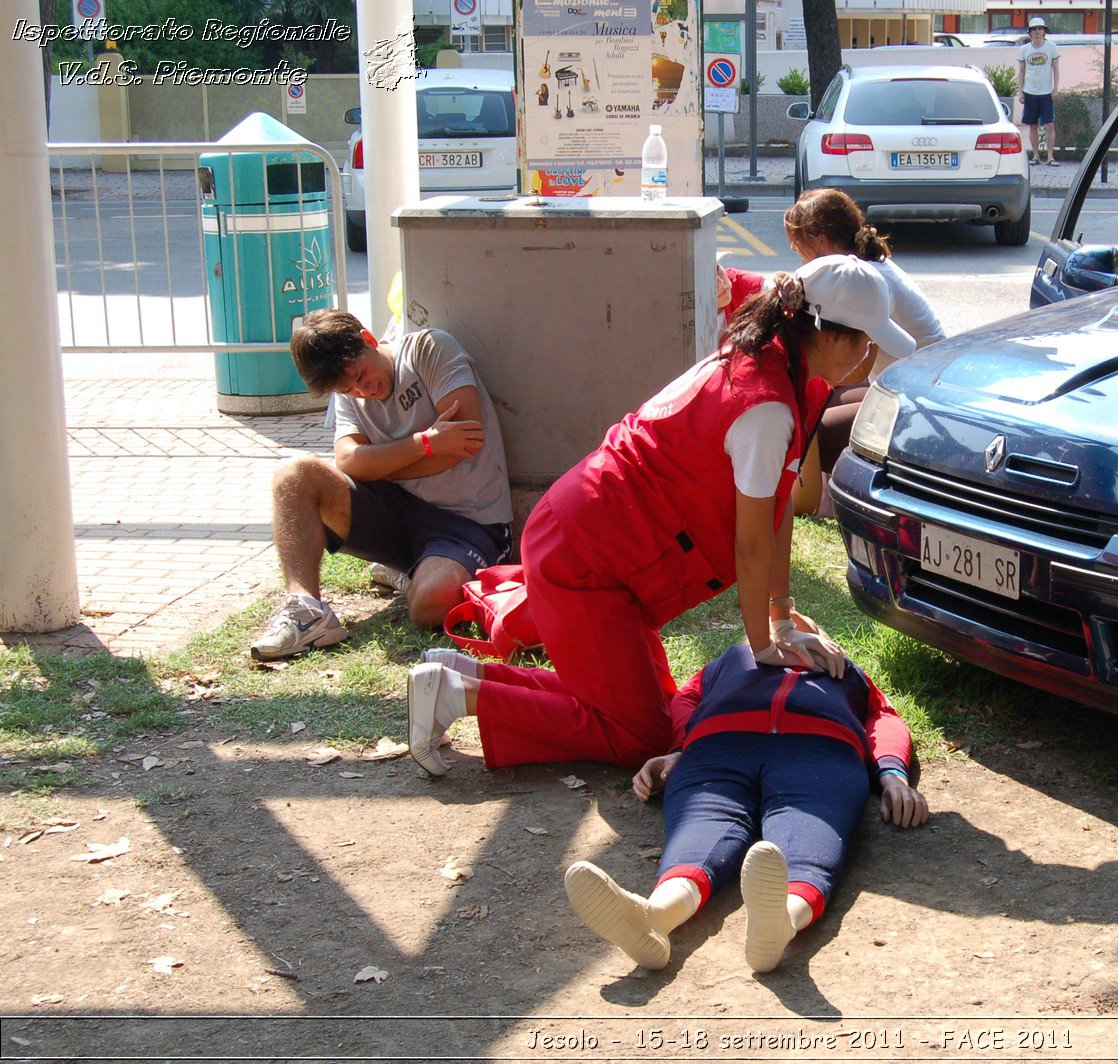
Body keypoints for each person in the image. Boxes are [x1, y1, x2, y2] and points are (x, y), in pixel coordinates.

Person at [405, 255, 917, 777]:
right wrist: (765, 645)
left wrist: (782, 616)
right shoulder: (768, 403)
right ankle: (458, 696)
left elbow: (778, 508)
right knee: (639, 735)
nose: (870, 353)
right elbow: (751, 544)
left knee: (656, 707)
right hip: (585, 559)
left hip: (599, 547)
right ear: (828, 334)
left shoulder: (787, 367)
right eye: (866, 340)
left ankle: (458, 676)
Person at [563, 644, 929, 973]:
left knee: (809, 846)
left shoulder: (846, 670)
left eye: (807, 626)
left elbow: (884, 719)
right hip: (716, 748)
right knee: (698, 837)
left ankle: (782, 922)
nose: (795, 624)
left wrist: (892, 776)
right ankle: (653, 918)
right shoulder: (731, 660)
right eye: (783, 621)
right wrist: (678, 749)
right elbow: (685, 700)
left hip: (821, 751)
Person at [249, 311, 511, 661]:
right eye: (347, 389)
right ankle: (307, 610)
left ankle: (413, 574)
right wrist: (424, 443)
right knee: (293, 474)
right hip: (397, 512)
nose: (362, 391)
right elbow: (348, 461)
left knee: (429, 606)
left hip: (469, 521)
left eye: (361, 375)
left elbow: (465, 442)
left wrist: (377, 465)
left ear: (369, 340)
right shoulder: (348, 391)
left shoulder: (428, 349)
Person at [783, 188, 945, 516]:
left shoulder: (858, 279)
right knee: (822, 403)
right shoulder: (864, 264)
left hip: (921, 399)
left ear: (822, 240)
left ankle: (822, 501)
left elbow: (843, 359)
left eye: (797, 242)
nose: (794, 250)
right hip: (901, 383)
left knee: (820, 430)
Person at [1015, 17, 1060, 167]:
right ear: (1030, 32)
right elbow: (1021, 71)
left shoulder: (1051, 47)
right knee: (1032, 125)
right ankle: (1035, 156)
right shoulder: (1024, 49)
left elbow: (1056, 69)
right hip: (1030, 92)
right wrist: (1020, 91)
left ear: (1044, 31)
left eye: (1040, 29)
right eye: (1034, 29)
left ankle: (1050, 156)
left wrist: (1055, 88)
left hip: (1046, 92)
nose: (1037, 32)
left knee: (1049, 125)